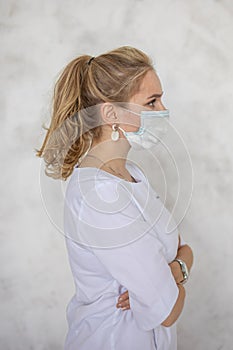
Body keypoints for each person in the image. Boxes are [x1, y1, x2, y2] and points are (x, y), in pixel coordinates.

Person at [36, 46, 194, 350]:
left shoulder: (133, 174)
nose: (163, 110)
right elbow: (168, 310)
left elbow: (182, 249)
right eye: (152, 101)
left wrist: (176, 269)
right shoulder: (100, 195)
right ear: (111, 113)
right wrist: (182, 266)